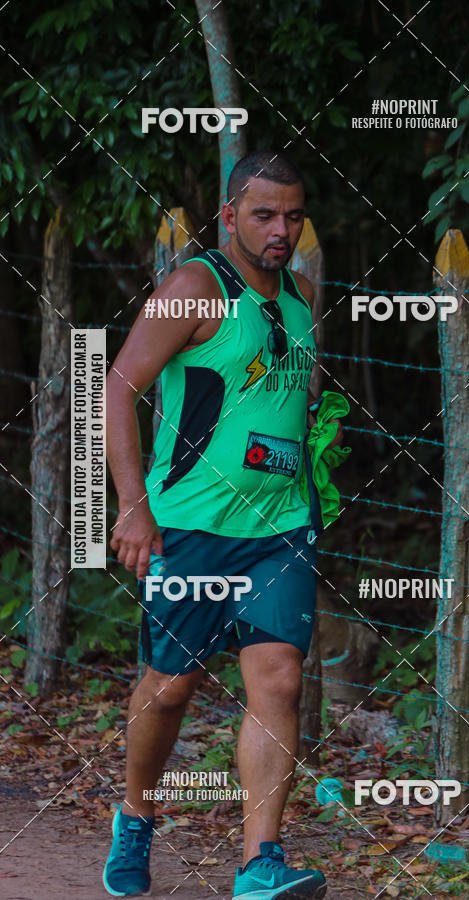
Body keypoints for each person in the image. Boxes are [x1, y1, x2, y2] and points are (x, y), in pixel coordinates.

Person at [104, 150, 339, 899]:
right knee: (170, 689)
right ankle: (136, 815)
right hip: (192, 526)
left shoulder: (300, 297)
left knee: (280, 679)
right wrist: (133, 504)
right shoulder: (193, 287)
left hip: (280, 527)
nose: (281, 230)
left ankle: (260, 862)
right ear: (229, 215)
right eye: (265, 214)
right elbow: (117, 387)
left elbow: (290, 403)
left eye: (293, 216)